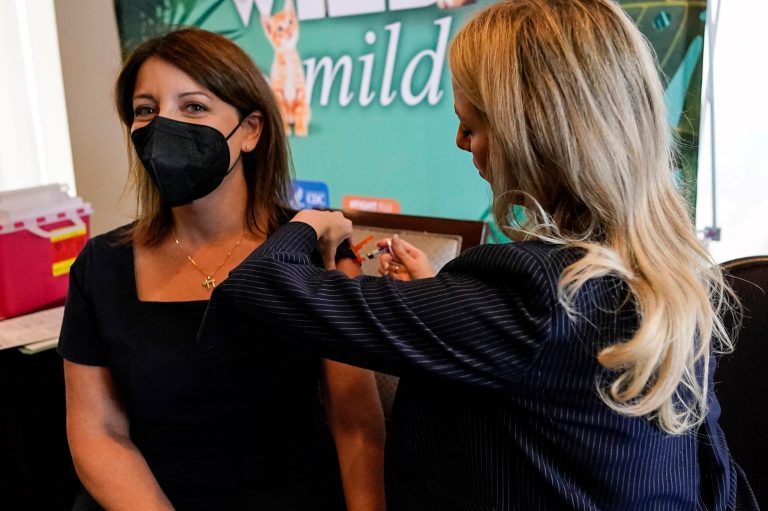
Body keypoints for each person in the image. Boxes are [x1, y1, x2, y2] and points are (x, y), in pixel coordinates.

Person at [197, 1, 760, 510]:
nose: (462, 143)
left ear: (532, 134)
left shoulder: (534, 293)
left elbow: (262, 283)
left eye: (473, 124)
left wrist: (309, 225)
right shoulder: (670, 272)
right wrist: (444, 296)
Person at [58, 28, 386, 511]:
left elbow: (355, 422)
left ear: (251, 130)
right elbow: (99, 433)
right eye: (146, 110)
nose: (163, 125)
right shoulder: (101, 266)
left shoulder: (315, 248)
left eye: (193, 107)